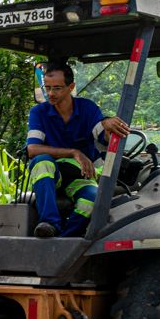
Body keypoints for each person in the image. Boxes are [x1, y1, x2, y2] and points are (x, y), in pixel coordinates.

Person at [25, 61, 129, 238]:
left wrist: (107, 124)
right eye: (47, 88)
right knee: (42, 162)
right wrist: (74, 152)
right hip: (53, 175)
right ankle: (49, 223)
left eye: (57, 88)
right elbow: (33, 149)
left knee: (93, 198)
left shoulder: (87, 109)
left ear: (71, 87)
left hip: (81, 175)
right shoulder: (39, 112)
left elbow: (102, 134)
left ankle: (66, 239)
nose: (50, 93)